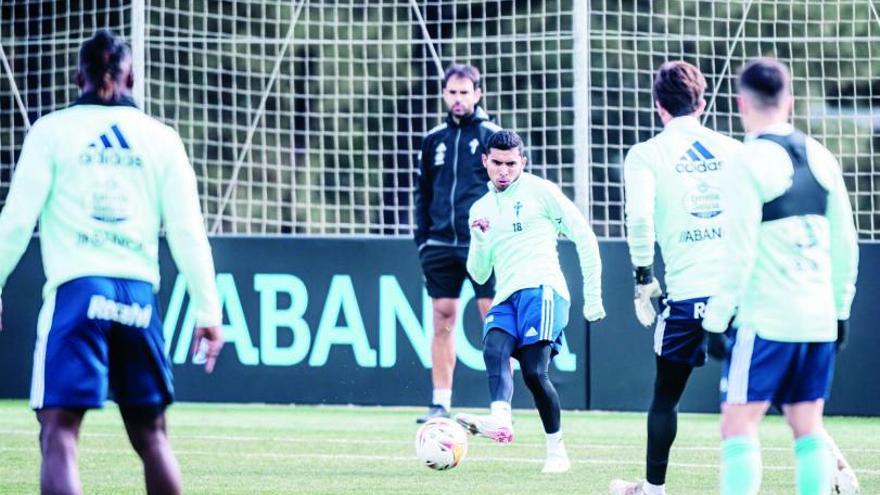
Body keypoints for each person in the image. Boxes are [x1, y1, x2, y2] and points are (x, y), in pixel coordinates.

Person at [0, 29, 224, 495]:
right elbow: (186, 232)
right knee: (152, 436)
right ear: (132, 77)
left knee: (58, 432)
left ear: (77, 75)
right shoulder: (161, 139)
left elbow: (17, 221)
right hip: (138, 297)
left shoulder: (52, 131)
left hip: (78, 293)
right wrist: (208, 310)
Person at [701, 58, 859, 495]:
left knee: (738, 424)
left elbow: (738, 253)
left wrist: (716, 321)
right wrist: (840, 310)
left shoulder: (746, 162)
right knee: (807, 426)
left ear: (740, 104)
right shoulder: (822, 156)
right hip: (818, 319)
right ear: (788, 101)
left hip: (767, 319)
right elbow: (847, 244)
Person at [609, 61, 743, 495]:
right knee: (777, 387)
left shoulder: (646, 154)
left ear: (658, 107)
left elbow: (641, 219)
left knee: (665, 396)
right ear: (702, 103)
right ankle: (832, 461)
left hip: (686, 296)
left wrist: (643, 277)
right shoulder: (733, 149)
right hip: (739, 291)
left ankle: (653, 490)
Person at [454, 129, 605, 473]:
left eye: (511, 163)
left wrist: (593, 299)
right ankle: (500, 421)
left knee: (535, 373)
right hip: (506, 294)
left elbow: (584, 236)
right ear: (485, 162)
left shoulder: (542, 192)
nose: (504, 171)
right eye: (497, 163)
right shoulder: (480, 208)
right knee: (494, 348)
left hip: (544, 289)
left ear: (523, 161)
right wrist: (478, 239)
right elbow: (479, 275)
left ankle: (557, 452)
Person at [413, 63, 502, 423]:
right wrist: (423, 241)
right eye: (452, 92)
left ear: (477, 94)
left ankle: (501, 404)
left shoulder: (492, 136)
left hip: (481, 243)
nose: (458, 98)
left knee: (494, 320)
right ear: (444, 94)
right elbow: (423, 194)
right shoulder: (433, 139)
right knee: (442, 319)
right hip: (439, 245)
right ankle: (440, 402)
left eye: (465, 92)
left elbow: (506, 190)